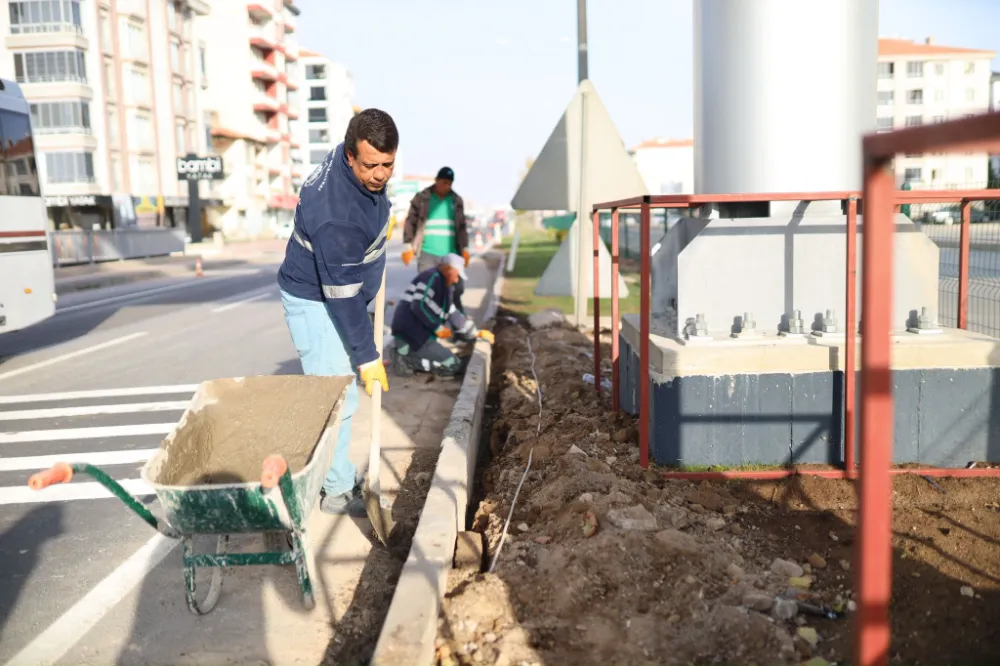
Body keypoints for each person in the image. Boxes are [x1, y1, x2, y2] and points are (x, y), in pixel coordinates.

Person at [276, 108, 397, 517]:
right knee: (336, 398)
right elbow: (342, 296)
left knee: (340, 391)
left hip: (337, 291)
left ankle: (337, 474)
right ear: (350, 155)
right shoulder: (336, 216)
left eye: (387, 164)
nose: (379, 175)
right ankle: (336, 490)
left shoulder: (352, 158)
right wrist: (368, 356)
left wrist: (377, 225)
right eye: (370, 166)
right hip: (316, 300)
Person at [390, 253, 494, 377]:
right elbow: (418, 305)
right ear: (448, 269)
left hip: (421, 335)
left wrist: (476, 333)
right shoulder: (430, 278)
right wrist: (437, 327)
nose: (456, 280)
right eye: (456, 275)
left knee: (451, 362)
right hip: (410, 333)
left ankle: (404, 354)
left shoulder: (446, 287)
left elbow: (453, 314)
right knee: (452, 365)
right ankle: (406, 360)